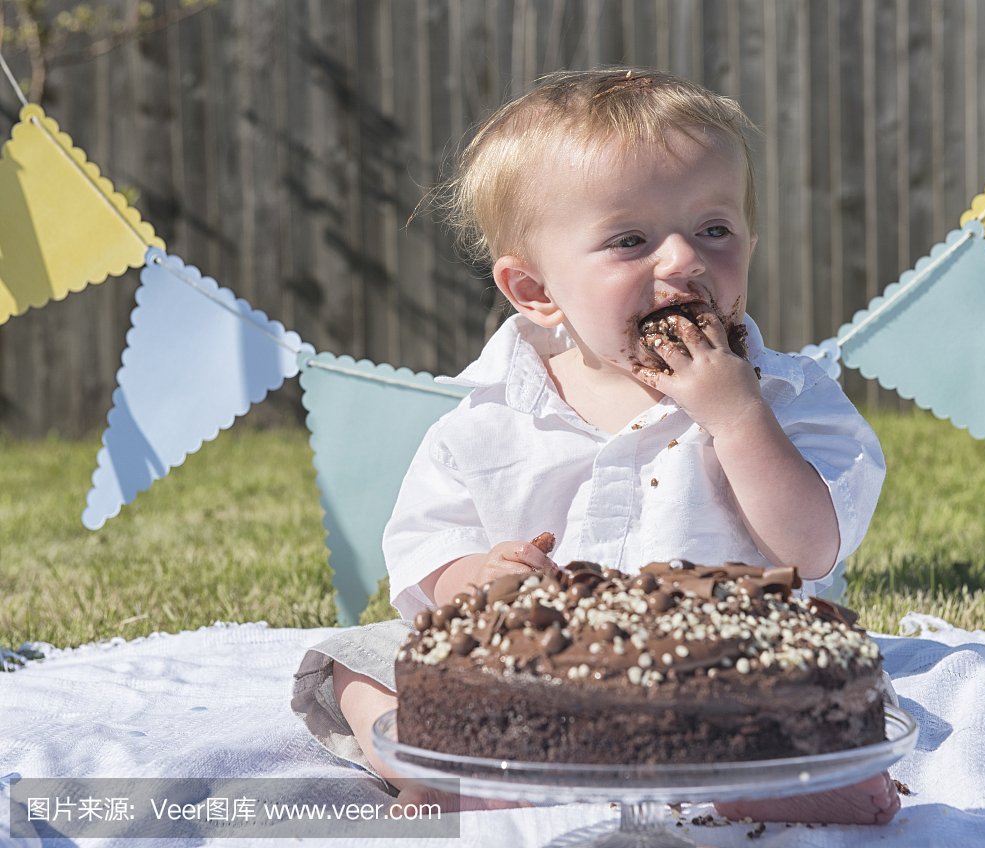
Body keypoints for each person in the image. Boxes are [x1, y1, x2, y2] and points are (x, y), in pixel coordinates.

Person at [293, 68, 896, 825]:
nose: (683, 262)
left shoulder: (785, 395)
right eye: (630, 240)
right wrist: (477, 577)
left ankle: (777, 779)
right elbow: (422, 553)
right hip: (528, 681)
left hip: (722, 680)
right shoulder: (486, 418)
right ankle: (448, 766)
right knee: (358, 660)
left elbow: (811, 548)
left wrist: (738, 417)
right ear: (536, 291)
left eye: (715, 229)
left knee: (832, 680)